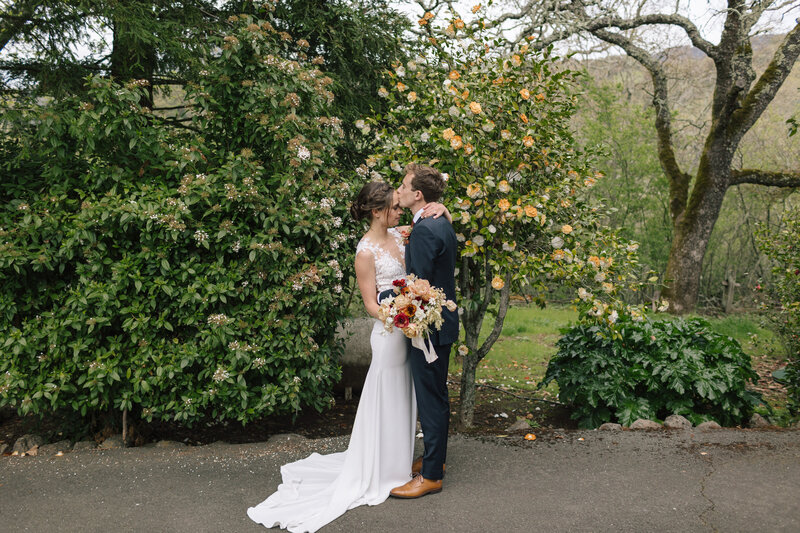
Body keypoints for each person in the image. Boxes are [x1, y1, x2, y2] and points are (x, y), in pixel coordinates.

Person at [247, 181, 450, 532]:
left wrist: (443, 209)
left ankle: (400, 462)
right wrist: (401, 316)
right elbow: (371, 304)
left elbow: (426, 230)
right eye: (393, 207)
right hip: (391, 334)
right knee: (386, 395)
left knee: (405, 396)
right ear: (376, 212)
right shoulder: (365, 252)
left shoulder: (402, 235)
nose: (400, 210)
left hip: (410, 332)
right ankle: (379, 467)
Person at [381, 163, 458, 499]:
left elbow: (417, 286)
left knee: (431, 400)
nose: (398, 190)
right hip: (441, 324)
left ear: (417, 195)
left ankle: (430, 476)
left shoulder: (426, 229)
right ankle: (434, 461)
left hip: (429, 328)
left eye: (403, 185)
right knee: (436, 397)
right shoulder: (436, 221)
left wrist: (388, 301)